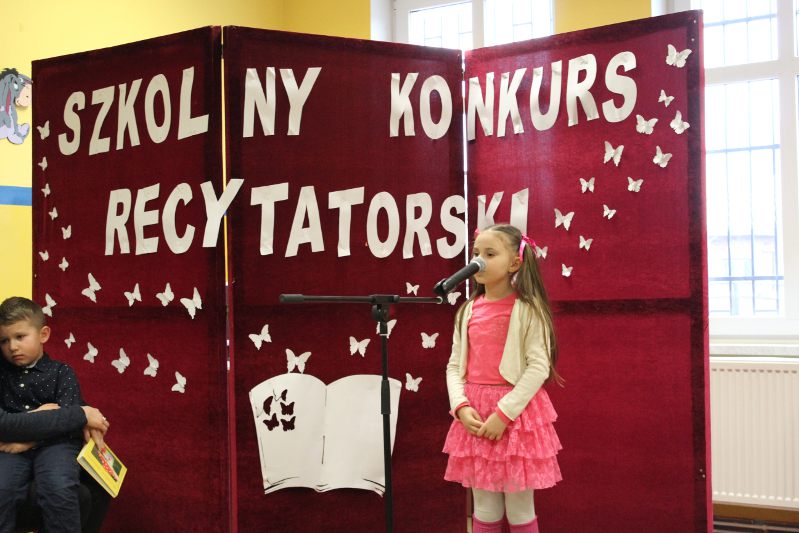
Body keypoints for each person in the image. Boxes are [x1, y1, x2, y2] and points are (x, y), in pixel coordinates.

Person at [443, 224, 563, 533]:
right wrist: (460, 406)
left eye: (489, 254)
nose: (478, 260)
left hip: (515, 416)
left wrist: (504, 414)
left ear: (514, 263)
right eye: (475, 253)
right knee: (484, 506)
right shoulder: (467, 311)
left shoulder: (528, 310)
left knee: (519, 507)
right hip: (475, 413)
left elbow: (538, 367)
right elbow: (454, 365)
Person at [0, 296, 104, 533]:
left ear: (43, 334)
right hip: (10, 448)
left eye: (20, 337)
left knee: (58, 487)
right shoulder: (3, 375)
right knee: (2, 488)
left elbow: (70, 421)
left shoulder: (62, 372)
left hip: (56, 446)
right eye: (4, 340)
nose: (12, 347)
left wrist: (27, 441)